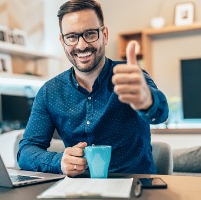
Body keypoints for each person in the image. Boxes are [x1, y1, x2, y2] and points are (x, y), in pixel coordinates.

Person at [17, 0, 168, 177]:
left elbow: (161, 114)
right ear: (62, 41)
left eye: (90, 34)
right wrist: (58, 162)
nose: (81, 45)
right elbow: (26, 151)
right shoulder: (49, 92)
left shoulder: (131, 77)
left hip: (135, 186)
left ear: (104, 34)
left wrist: (147, 101)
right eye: (71, 37)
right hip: (79, 190)